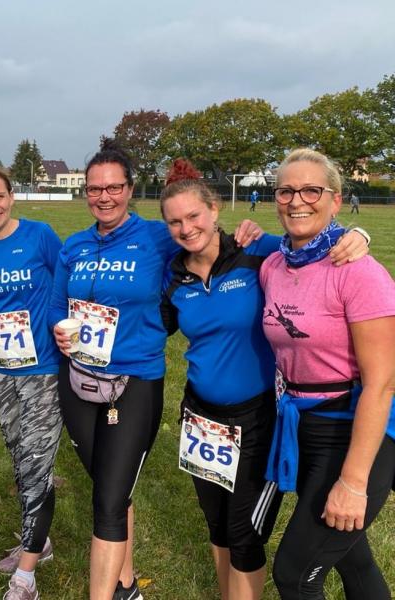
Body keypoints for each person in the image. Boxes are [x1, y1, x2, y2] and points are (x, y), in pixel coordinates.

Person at [49, 139, 264, 600]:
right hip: (79, 381)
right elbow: (55, 305)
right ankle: (126, 585)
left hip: (134, 382)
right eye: (94, 189)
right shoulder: (75, 246)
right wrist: (58, 331)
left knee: (109, 499)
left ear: (130, 189)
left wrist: (352, 236)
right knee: (110, 486)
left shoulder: (157, 237)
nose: (104, 196)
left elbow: (209, 242)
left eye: (114, 187)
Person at [159, 158, 369, 600]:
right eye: (175, 222)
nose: (186, 228)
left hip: (257, 420)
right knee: (217, 526)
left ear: (215, 209)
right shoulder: (174, 275)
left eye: (194, 216)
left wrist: (358, 235)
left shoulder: (259, 253)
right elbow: (151, 328)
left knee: (245, 534)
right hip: (200, 419)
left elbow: (312, 243)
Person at [261, 148, 395, 600]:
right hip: (304, 429)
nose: (297, 201)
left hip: (356, 431)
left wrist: (354, 482)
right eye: (286, 191)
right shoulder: (274, 265)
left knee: (295, 574)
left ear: (336, 200)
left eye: (311, 190)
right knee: (353, 560)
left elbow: (382, 384)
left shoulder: (359, 272)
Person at [0, 165, 62, 600]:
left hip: (42, 369)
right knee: (19, 456)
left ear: (11, 196)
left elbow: (67, 283)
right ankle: (38, 540)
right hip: (1, 368)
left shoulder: (40, 235)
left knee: (36, 463)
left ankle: (26, 576)